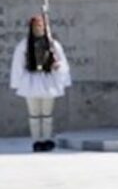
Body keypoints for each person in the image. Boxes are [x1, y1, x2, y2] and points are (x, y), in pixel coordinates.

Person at [9, 14, 72, 152]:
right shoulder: (24, 45)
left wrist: (58, 67)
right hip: (31, 80)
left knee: (47, 113)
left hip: (47, 80)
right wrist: (18, 82)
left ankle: (47, 139)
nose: (39, 28)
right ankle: (37, 140)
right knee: (34, 113)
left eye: (41, 26)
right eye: (36, 26)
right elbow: (18, 65)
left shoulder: (52, 44)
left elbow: (61, 61)